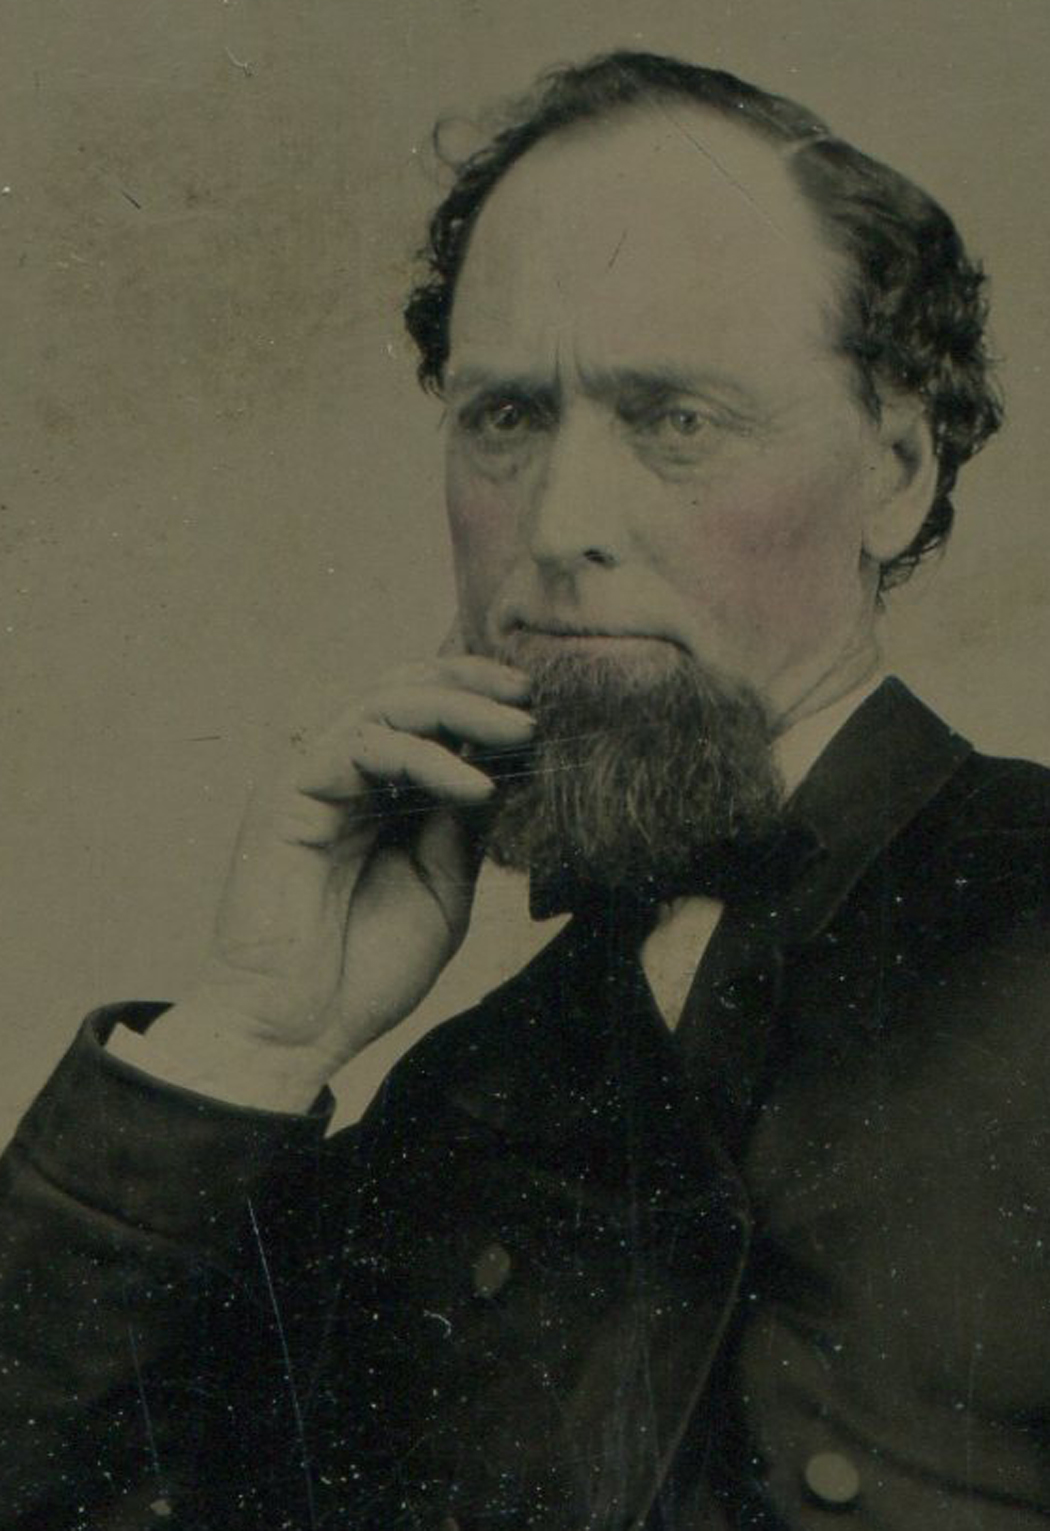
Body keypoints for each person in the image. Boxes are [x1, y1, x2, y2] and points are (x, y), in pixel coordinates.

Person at [2, 49, 1047, 1531]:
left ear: (893, 470)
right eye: (505, 419)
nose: (557, 523)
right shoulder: (446, 1110)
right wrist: (254, 1036)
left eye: (675, 420)